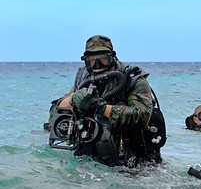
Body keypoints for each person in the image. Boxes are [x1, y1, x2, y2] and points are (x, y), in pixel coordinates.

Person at [47, 35, 165, 167]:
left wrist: (101, 107)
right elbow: (55, 114)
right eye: (91, 61)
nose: (97, 65)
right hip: (91, 158)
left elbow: (142, 115)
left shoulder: (133, 80)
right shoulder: (83, 80)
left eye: (103, 59)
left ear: (112, 58)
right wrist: (74, 99)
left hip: (135, 161)